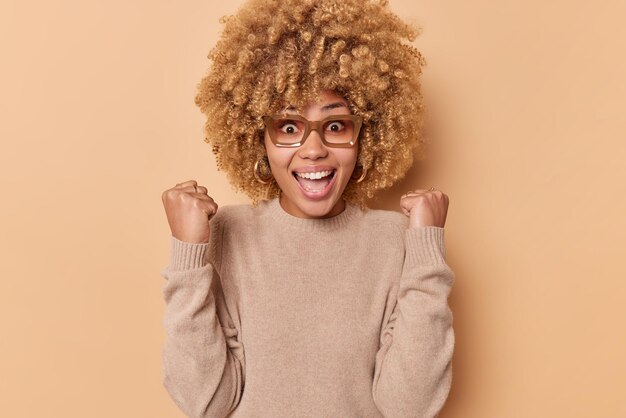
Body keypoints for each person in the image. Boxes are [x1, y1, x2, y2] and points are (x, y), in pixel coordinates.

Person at [159, 0, 455, 417]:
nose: (313, 149)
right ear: (256, 138)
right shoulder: (225, 232)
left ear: (365, 136)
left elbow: (410, 407)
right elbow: (206, 403)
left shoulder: (396, 241)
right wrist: (188, 256)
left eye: (335, 126)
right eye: (288, 127)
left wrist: (426, 249)